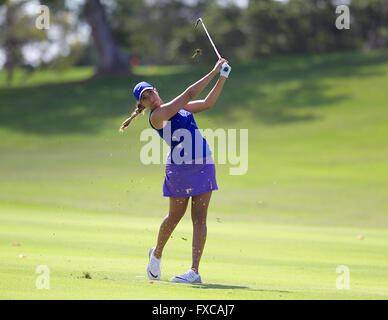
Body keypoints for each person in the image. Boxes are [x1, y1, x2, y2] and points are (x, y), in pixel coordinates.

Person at [119, 58, 231, 283]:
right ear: (143, 104)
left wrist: (223, 77)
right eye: (144, 98)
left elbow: (207, 103)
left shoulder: (175, 107)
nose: (150, 97)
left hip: (204, 163)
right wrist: (213, 69)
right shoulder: (157, 116)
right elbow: (189, 94)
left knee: (200, 219)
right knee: (175, 217)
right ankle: (156, 255)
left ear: (155, 91)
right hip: (179, 169)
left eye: (150, 92)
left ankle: (194, 272)